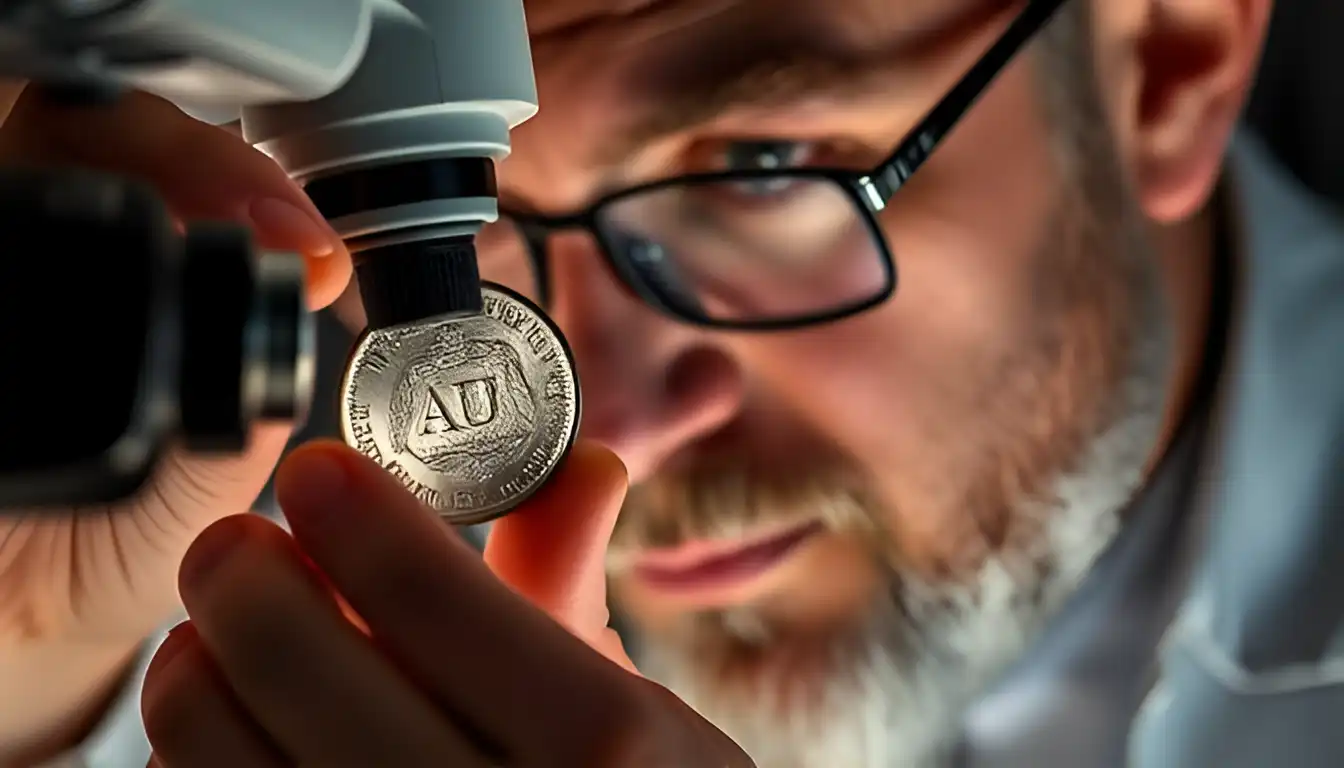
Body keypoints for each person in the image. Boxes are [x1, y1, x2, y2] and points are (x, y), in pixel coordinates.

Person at [1, 0, 1341, 765]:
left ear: (1168, 59)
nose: (619, 424)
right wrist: (32, 665)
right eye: (489, 220)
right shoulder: (262, 523)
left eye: (759, 169)